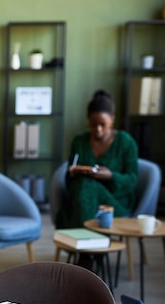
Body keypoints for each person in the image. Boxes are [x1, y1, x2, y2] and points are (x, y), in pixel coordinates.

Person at [56, 89, 139, 229]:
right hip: (80, 198)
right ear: (88, 120)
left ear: (112, 120)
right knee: (83, 185)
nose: (98, 129)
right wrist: (73, 173)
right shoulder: (79, 141)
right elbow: (68, 182)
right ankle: (89, 244)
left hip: (113, 202)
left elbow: (132, 180)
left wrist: (110, 176)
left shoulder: (126, 143)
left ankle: (82, 242)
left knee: (87, 186)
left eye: (103, 125)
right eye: (93, 124)